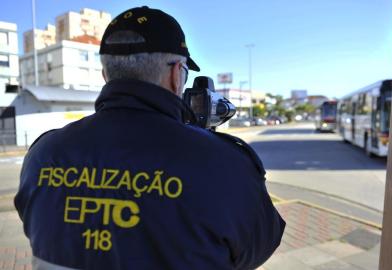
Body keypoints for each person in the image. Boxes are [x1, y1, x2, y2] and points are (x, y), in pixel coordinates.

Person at [14, 6, 285, 270]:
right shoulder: (224, 163)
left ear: (106, 74)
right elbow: (258, 246)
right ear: (176, 74)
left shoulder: (43, 154)